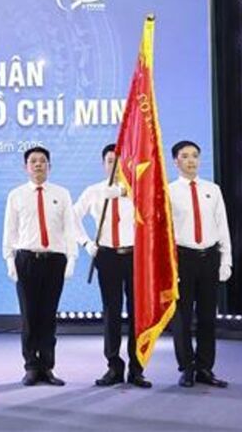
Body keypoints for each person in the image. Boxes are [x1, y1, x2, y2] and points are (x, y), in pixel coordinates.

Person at [73, 144, 151, 388]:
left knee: (137, 313)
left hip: (134, 256)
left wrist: (125, 192)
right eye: (110, 161)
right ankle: (113, 366)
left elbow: (151, 216)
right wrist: (86, 243)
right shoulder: (94, 191)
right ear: (103, 164)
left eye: (120, 161)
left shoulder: (139, 190)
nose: (115, 166)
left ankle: (137, 369)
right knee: (111, 311)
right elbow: (72, 217)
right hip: (107, 256)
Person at [2, 146, 79, 386]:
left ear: (49, 166)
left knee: (48, 316)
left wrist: (72, 258)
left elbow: (69, 228)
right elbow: (10, 230)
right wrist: (9, 259)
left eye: (42, 161)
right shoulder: (16, 195)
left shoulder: (62, 194)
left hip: (55, 260)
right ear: (26, 167)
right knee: (29, 316)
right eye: (33, 161)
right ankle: (31, 367)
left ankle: (47, 367)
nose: (38, 165)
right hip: (26, 260)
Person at [168, 140, 231, 388]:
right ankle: (187, 367)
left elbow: (222, 226)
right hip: (182, 258)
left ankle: (205, 368)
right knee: (182, 317)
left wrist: (226, 260)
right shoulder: (168, 191)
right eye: (185, 156)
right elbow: (164, 233)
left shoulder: (212, 189)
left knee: (207, 316)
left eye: (195, 155)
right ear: (175, 161)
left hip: (209, 257)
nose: (191, 160)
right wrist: (169, 267)